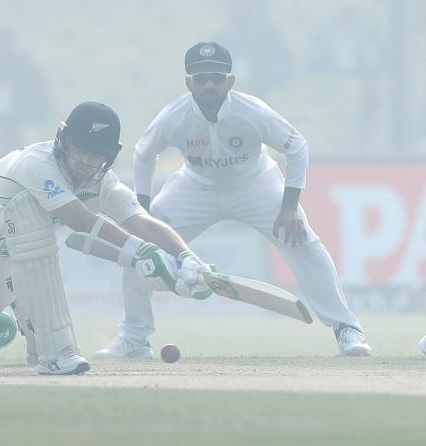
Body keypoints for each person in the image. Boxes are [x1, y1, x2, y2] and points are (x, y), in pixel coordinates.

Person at [0, 101, 214, 375]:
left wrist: (187, 259)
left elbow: (143, 221)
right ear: (63, 140)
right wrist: (141, 254)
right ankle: (56, 352)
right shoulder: (37, 163)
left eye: (97, 156)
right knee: (30, 214)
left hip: (2, 246)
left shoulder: (100, 182)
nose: (86, 162)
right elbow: (78, 219)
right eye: (81, 150)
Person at [95, 42, 372, 359]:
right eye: (201, 79)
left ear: (230, 80)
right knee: (140, 247)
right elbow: (144, 155)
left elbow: (297, 147)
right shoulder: (174, 116)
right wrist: (142, 213)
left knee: (303, 241)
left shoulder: (251, 112)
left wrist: (289, 207)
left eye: (216, 77)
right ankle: (134, 339)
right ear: (189, 83)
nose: (209, 85)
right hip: (195, 188)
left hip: (255, 184)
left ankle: (347, 330)